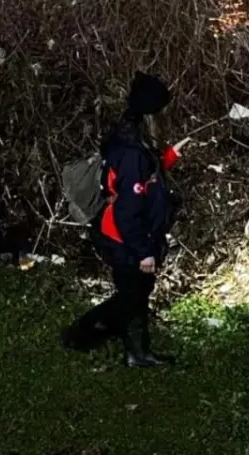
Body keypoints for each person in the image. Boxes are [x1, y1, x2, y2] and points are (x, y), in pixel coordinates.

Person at [61, 71, 188, 367]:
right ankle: (80, 333)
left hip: (131, 235)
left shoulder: (132, 141)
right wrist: (143, 251)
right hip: (124, 238)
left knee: (138, 292)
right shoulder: (132, 153)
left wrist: (168, 157)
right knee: (131, 295)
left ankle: (137, 353)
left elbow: (146, 180)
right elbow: (127, 210)